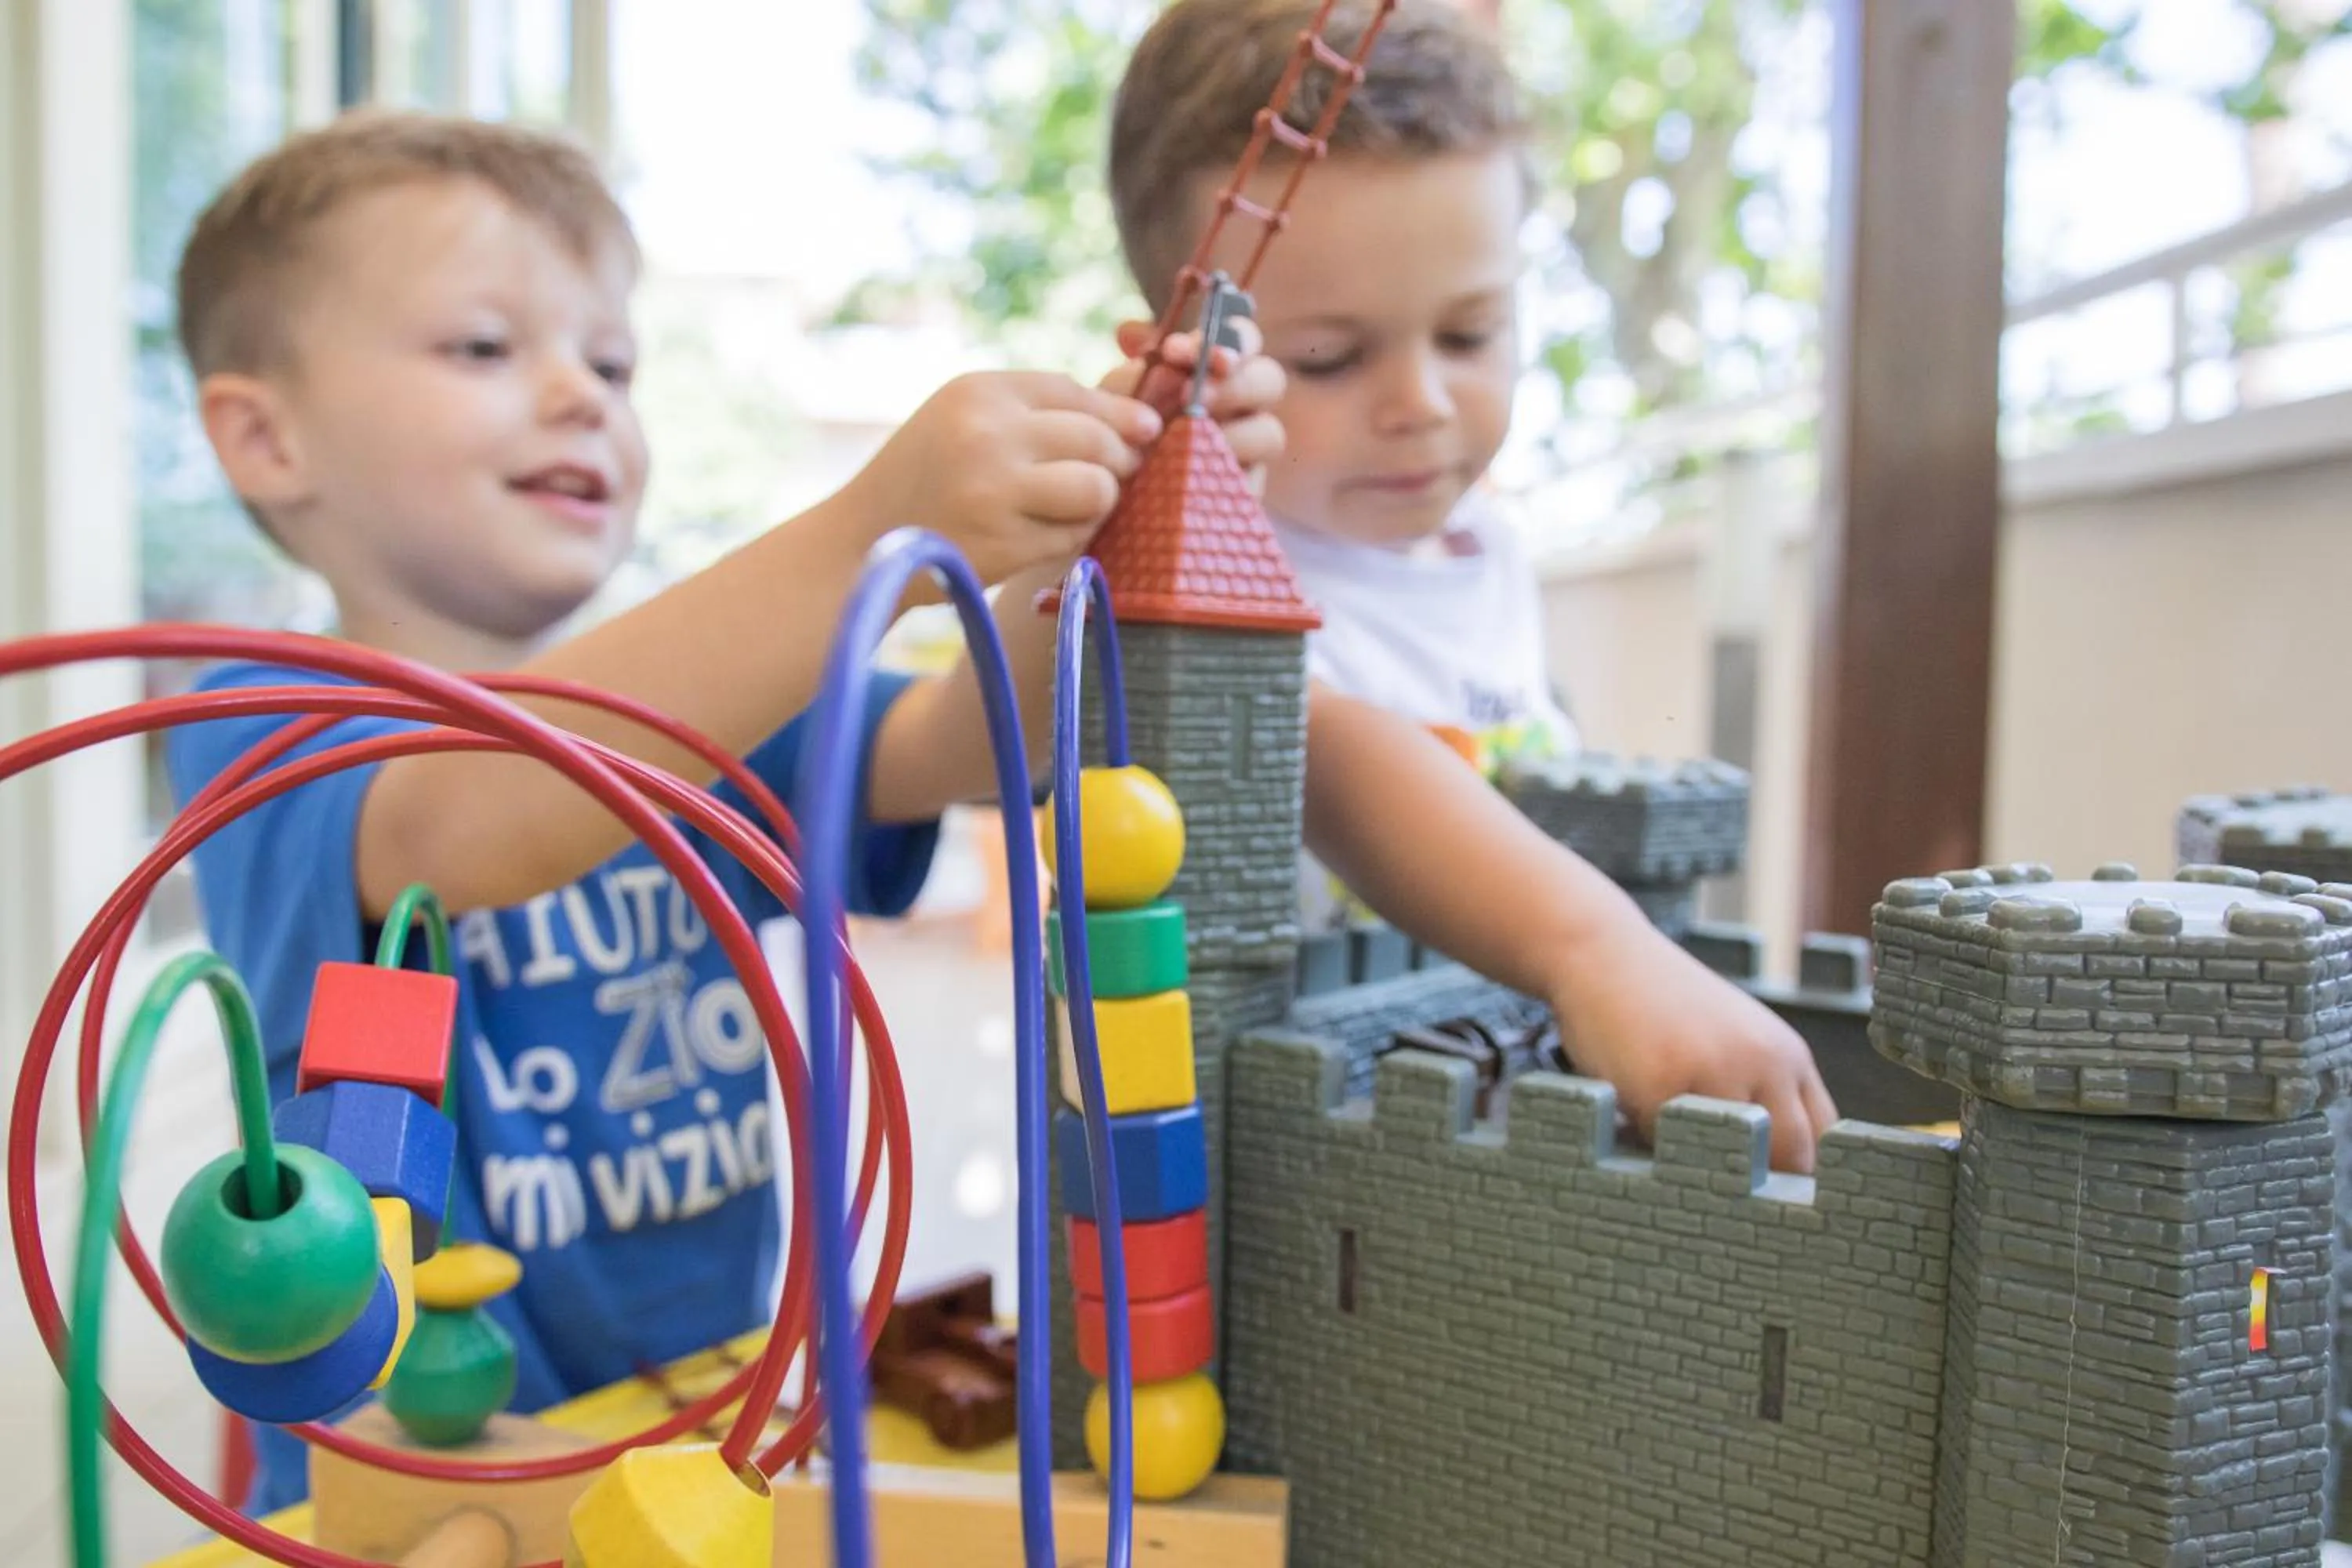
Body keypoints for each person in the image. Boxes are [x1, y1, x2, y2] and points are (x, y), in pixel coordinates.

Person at [163, 109, 1278, 1512]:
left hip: (699, 1450)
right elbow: (470, 818)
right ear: (266, 439)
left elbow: (966, 738)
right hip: (407, 1496)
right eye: (486, 348)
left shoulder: (717, 692)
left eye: (611, 362)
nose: (581, 394)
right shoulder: (259, 718)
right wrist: (866, 527)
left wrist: (1142, 517)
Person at [1107, 0, 1839, 1171]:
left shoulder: (1489, 556)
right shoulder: (1209, 587)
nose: (1422, 404)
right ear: (1188, 368)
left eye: (1469, 335)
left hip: (1488, 1095)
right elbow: (1327, 761)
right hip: (1286, 1153)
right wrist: (1598, 948)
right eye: (1332, 358)